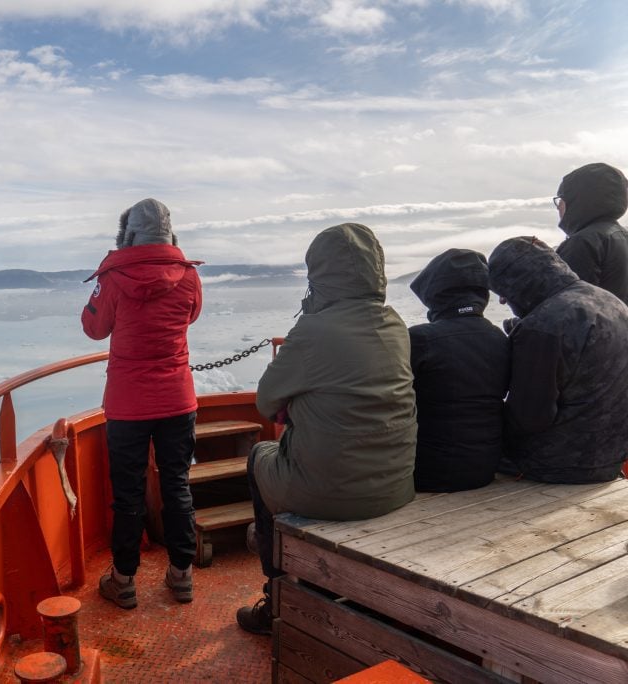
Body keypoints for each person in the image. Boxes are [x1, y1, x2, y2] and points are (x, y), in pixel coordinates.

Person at [236, 223, 417, 635]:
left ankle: (274, 592)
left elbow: (266, 402)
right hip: (394, 486)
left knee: (258, 456)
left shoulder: (314, 330)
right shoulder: (395, 325)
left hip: (331, 492)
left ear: (319, 277)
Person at [81, 198, 203, 609]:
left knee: (129, 493)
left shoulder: (114, 276)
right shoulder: (188, 276)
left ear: (127, 234)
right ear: (171, 233)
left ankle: (123, 579)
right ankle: (182, 575)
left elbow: (94, 328)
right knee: (177, 485)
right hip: (177, 399)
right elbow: (191, 317)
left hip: (128, 404)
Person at [488, 236, 628, 483]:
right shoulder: (611, 302)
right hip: (609, 456)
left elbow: (528, 417)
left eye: (502, 289)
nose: (502, 300)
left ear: (519, 282)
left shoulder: (542, 327)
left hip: (557, 464)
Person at [408, 249, 509, 492]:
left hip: (428, 471)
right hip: (484, 468)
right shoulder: (500, 338)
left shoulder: (420, 339)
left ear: (434, 294)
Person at [553, 162, 628, 305]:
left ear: (578, 200)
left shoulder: (583, 243)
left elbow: (567, 307)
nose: (558, 207)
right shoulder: (621, 236)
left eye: (561, 199)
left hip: (596, 327)